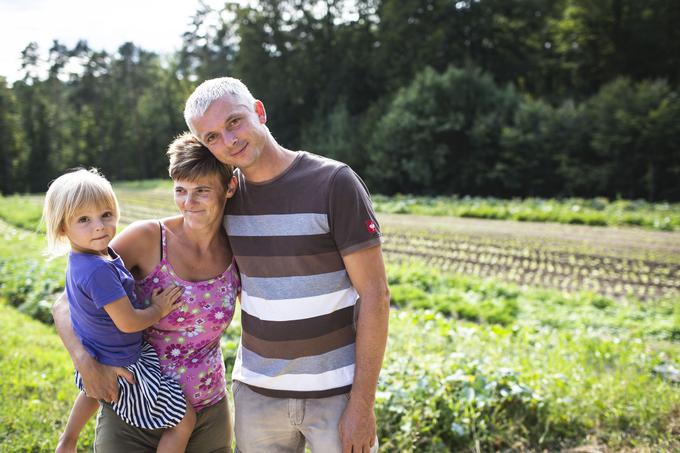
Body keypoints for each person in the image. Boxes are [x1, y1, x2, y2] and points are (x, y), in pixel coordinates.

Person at [184, 77, 390, 453]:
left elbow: (375, 294)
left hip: (337, 395)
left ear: (259, 112)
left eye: (234, 122)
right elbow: (172, 247)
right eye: (212, 137)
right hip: (258, 395)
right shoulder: (225, 201)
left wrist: (363, 404)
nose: (229, 141)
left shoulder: (334, 183)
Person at [52, 134, 240, 452]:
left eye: (201, 191)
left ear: (229, 188)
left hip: (209, 411)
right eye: (180, 190)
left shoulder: (239, 246)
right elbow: (66, 301)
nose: (188, 203)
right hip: (133, 411)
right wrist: (85, 361)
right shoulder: (147, 238)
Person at [44, 168, 195, 453]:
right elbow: (127, 323)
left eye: (106, 215)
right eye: (84, 220)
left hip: (100, 351)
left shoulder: (84, 258)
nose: (99, 226)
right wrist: (157, 309)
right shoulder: (98, 271)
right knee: (184, 421)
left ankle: (68, 441)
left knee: (93, 391)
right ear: (63, 228)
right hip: (126, 364)